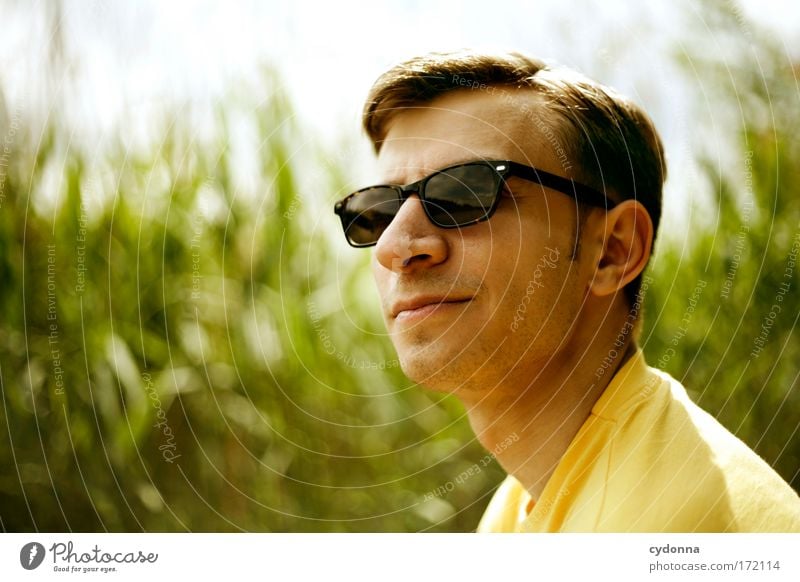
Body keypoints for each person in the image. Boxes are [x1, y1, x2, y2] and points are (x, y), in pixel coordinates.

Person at [333, 50, 800, 532]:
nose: (395, 246)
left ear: (612, 251)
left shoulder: (684, 524)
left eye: (464, 193)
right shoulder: (515, 509)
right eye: (381, 209)